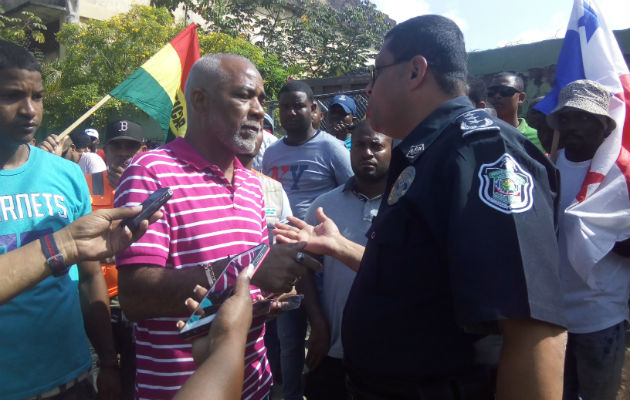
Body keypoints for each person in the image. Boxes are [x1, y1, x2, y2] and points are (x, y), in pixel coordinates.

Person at [276, 15, 567, 399]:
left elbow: (534, 330)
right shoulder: (425, 154)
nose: (368, 87)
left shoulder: (483, 151)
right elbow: (416, 278)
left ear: (415, 71)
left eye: (376, 72)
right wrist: (339, 245)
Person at [114, 53, 320, 400]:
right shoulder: (151, 173)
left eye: (261, 100)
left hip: (256, 385)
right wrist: (250, 275)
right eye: (243, 95)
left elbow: (233, 292)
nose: (258, 110)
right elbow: (135, 296)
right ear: (200, 101)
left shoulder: (253, 184)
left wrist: (265, 298)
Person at [0, 39, 120, 400]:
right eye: (11, 96)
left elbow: (88, 278)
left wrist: (110, 363)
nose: (29, 110)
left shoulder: (67, 176)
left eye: (37, 96)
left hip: (71, 381)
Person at [262, 80, 353, 400]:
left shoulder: (331, 148)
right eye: (284, 106)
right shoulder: (270, 153)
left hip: (324, 258)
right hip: (286, 257)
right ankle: (291, 394)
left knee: (328, 334)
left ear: (313, 109)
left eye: (298, 105)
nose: (290, 112)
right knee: (289, 338)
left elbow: (351, 191)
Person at [546, 79, 630, 400]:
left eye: (582, 117)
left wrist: (609, 237)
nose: (572, 126)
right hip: (553, 316)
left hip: (600, 316)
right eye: (565, 118)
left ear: (603, 124)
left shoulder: (622, 171)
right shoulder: (547, 165)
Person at [300, 120, 392, 400]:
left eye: (376, 145)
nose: (367, 153)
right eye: (359, 145)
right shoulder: (323, 207)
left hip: (391, 354)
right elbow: (304, 269)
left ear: (392, 150)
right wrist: (317, 323)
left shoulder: (407, 205)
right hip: (333, 347)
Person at [85, 119, 148, 400]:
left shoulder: (151, 190)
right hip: (99, 305)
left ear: (143, 150)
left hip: (136, 304)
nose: (123, 154)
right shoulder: (85, 186)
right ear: (104, 152)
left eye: (130, 147)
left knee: (136, 383)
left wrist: (129, 189)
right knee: (102, 385)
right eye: (116, 146)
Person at [0, 206, 161, 304]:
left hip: (69, 351)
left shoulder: (68, 172)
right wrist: (69, 243)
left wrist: (107, 354)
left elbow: (90, 276)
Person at [487, 71, 545, 152]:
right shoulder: (481, 135)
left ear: (521, 98)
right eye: (491, 92)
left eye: (505, 91)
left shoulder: (538, 138)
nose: (497, 96)